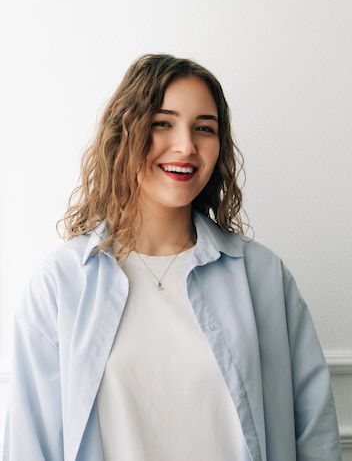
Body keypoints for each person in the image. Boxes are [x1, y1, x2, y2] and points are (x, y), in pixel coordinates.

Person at [3, 53, 341, 461]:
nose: (186, 145)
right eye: (163, 123)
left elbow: (314, 433)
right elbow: (29, 442)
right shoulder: (60, 283)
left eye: (204, 128)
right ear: (125, 131)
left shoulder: (263, 276)